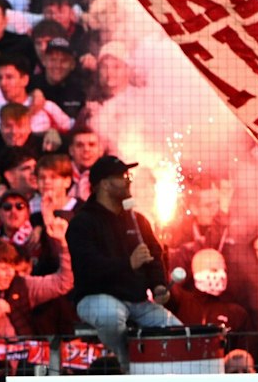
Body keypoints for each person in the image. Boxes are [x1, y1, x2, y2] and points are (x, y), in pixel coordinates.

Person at [65, 155, 179, 370]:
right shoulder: (82, 223)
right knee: (110, 314)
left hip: (136, 300)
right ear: (105, 184)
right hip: (95, 297)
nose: (129, 181)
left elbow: (153, 256)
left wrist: (159, 286)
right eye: (122, 176)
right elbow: (88, 267)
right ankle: (127, 362)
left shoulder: (137, 220)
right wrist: (128, 263)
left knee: (177, 332)